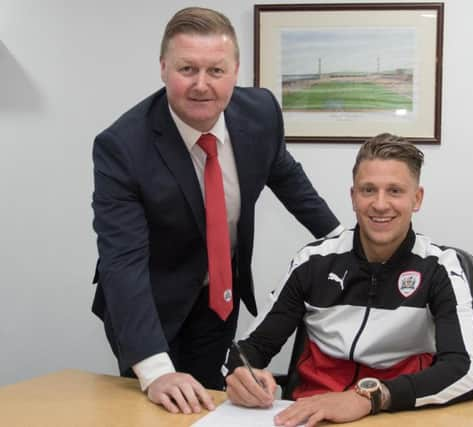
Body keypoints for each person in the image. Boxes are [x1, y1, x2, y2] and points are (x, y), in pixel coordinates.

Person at [91, 7, 342, 415]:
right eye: (187, 68)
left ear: (236, 70)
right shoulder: (123, 148)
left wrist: (348, 246)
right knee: (162, 406)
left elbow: (291, 183)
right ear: (162, 68)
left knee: (212, 405)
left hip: (219, 296)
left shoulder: (260, 114)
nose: (201, 85)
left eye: (216, 70)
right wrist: (156, 371)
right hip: (149, 301)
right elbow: (122, 263)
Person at [224, 133, 473, 426]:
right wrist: (240, 374)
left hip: (396, 415)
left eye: (395, 191)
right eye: (368, 190)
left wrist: (369, 398)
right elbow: (250, 348)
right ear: (353, 197)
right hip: (311, 415)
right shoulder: (313, 262)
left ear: (417, 198)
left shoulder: (441, 268)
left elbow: (467, 370)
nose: (380, 204)